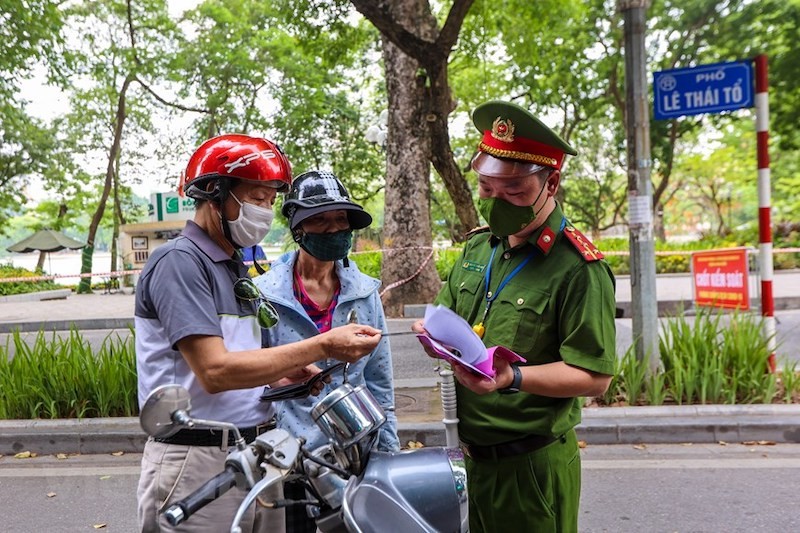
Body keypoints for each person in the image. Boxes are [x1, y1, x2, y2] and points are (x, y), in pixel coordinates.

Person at [135, 135, 382, 533]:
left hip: (255, 453)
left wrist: (282, 377)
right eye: (257, 198)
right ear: (216, 193)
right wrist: (319, 346)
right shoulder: (179, 262)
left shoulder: (231, 266)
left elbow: (236, 364)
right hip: (198, 462)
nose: (265, 212)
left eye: (270, 201)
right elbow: (215, 372)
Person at [413, 100, 617, 532]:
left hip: (532, 467)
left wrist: (514, 378)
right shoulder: (477, 249)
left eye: (514, 192)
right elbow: (447, 315)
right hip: (472, 460)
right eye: (487, 189)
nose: (497, 202)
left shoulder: (579, 268)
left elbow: (594, 377)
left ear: (552, 183)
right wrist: (431, 333)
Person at [254, 170, 400, 532]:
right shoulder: (263, 295)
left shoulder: (365, 294)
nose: (333, 228)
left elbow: (379, 383)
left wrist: (389, 458)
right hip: (288, 459)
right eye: (319, 220)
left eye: (341, 219)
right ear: (297, 227)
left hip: (355, 458)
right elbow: (253, 374)